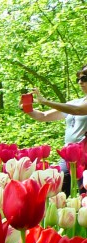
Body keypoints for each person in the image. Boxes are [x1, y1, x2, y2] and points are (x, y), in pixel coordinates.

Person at [25, 65, 87, 194]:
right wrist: (27, 108)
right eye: (79, 79)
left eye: (84, 78)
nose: (80, 82)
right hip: (68, 154)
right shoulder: (74, 102)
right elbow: (43, 116)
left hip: (85, 154)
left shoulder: (75, 106)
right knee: (61, 188)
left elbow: (78, 111)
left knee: (83, 190)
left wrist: (45, 101)